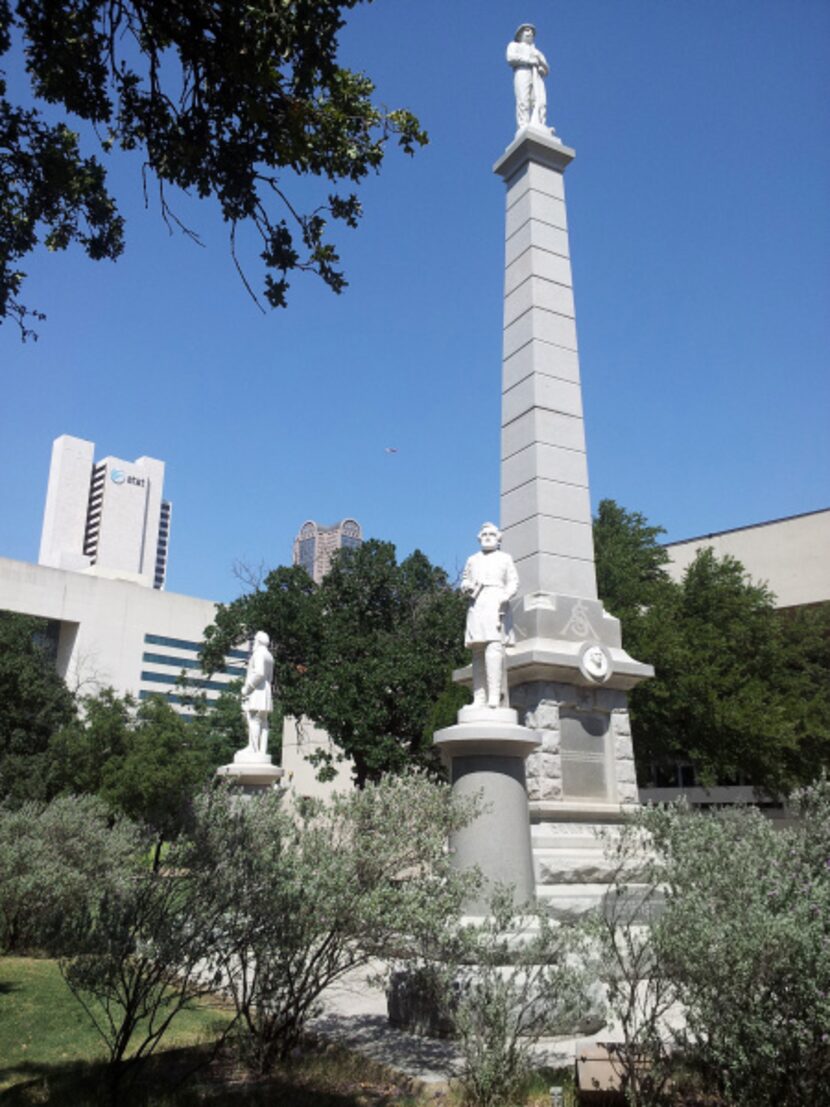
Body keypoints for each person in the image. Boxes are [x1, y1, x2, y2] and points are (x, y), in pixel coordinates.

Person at [461, 523, 519, 708]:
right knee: (477, 651)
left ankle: (494, 695)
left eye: (491, 534)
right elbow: (464, 580)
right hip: (477, 603)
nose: (487, 537)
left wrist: (506, 596)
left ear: (498, 538)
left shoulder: (505, 558)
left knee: (494, 648)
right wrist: (466, 587)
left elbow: (513, 581)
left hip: (495, 602)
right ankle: (479, 697)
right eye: (484, 534)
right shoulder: (472, 559)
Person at [506, 22, 549, 130]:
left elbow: (546, 67)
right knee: (523, 100)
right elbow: (510, 58)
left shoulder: (536, 52)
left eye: (532, 31)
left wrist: (542, 68)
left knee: (539, 101)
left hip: (536, 75)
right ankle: (523, 125)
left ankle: (540, 123)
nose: (530, 33)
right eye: (527, 30)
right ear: (520, 34)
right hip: (522, 71)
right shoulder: (514, 45)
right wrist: (529, 60)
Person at [241, 630, 274, 754]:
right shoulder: (269, 656)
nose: (254, 642)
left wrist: (248, 688)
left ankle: (253, 748)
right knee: (264, 721)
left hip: (257, 689)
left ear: (259, 641)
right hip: (266, 689)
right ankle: (262, 750)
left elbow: (259, 673)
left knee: (254, 718)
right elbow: (270, 677)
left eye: (255, 639)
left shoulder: (259, 653)